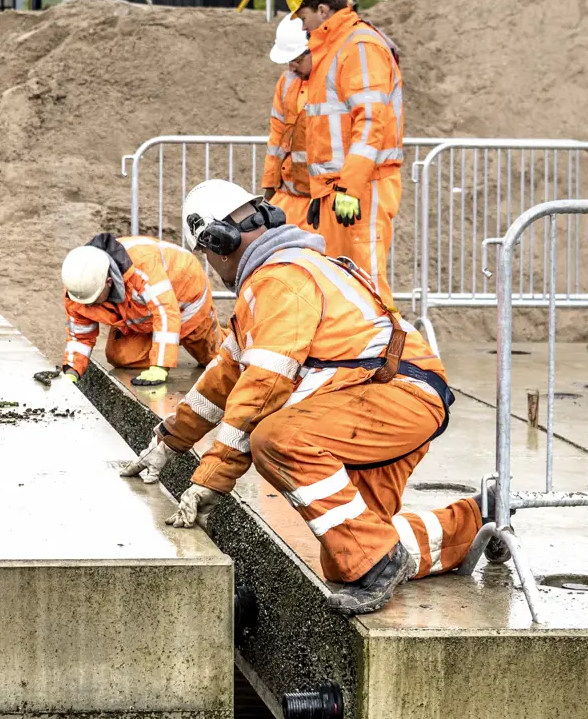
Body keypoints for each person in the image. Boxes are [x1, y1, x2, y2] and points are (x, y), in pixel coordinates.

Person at [120, 179, 481, 615]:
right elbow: (223, 379)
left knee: (276, 438)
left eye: (206, 252)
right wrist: (167, 442)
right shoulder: (280, 276)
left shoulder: (279, 281)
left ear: (218, 241)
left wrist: (211, 477)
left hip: (393, 397)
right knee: (351, 554)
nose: (211, 264)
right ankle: (474, 522)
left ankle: (382, 561)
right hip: (383, 397)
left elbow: (263, 389)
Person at [284, 0, 404, 299]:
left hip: (361, 188)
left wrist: (350, 187)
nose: (302, 25)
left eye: (303, 16)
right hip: (338, 193)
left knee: (369, 286)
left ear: (321, 9)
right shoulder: (334, 49)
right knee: (343, 287)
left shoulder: (360, 46)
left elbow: (370, 123)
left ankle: (399, 353)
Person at [57, 233, 222, 386]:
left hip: (185, 294)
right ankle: (165, 343)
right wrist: (71, 372)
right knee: (121, 357)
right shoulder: (78, 289)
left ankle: (233, 339)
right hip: (144, 315)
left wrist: (159, 367)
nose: (89, 306)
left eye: (94, 300)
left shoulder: (142, 267)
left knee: (215, 359)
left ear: (108, 282)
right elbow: (80, 337)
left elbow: (165, 313)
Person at [261, 17, 314, 228]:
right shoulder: (287, 81)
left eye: (297, 59)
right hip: (287, 194)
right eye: (289, 60)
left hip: (319, 198)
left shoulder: (332, 82)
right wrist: (269, 188)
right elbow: (276, 138)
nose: (292, 66)